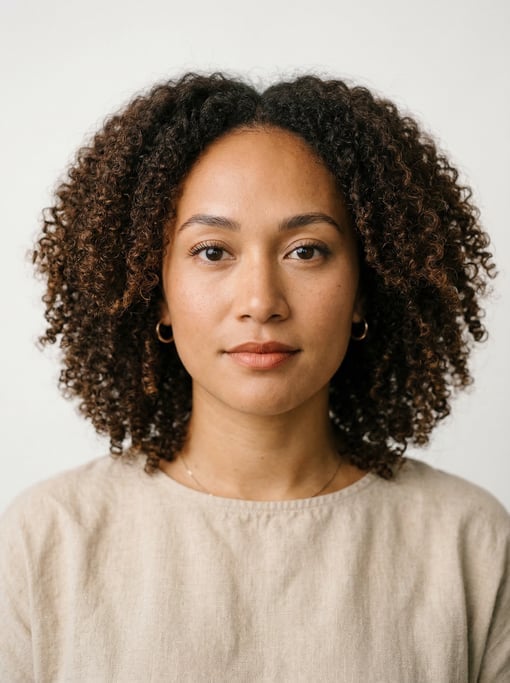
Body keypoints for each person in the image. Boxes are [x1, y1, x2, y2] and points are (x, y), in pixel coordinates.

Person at [0, 71, 508, 682]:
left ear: (364, 290)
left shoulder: (471, 544)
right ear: (155, 292)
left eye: (306, 250)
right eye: (213, 251)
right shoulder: (43, 542)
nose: (261, 301)